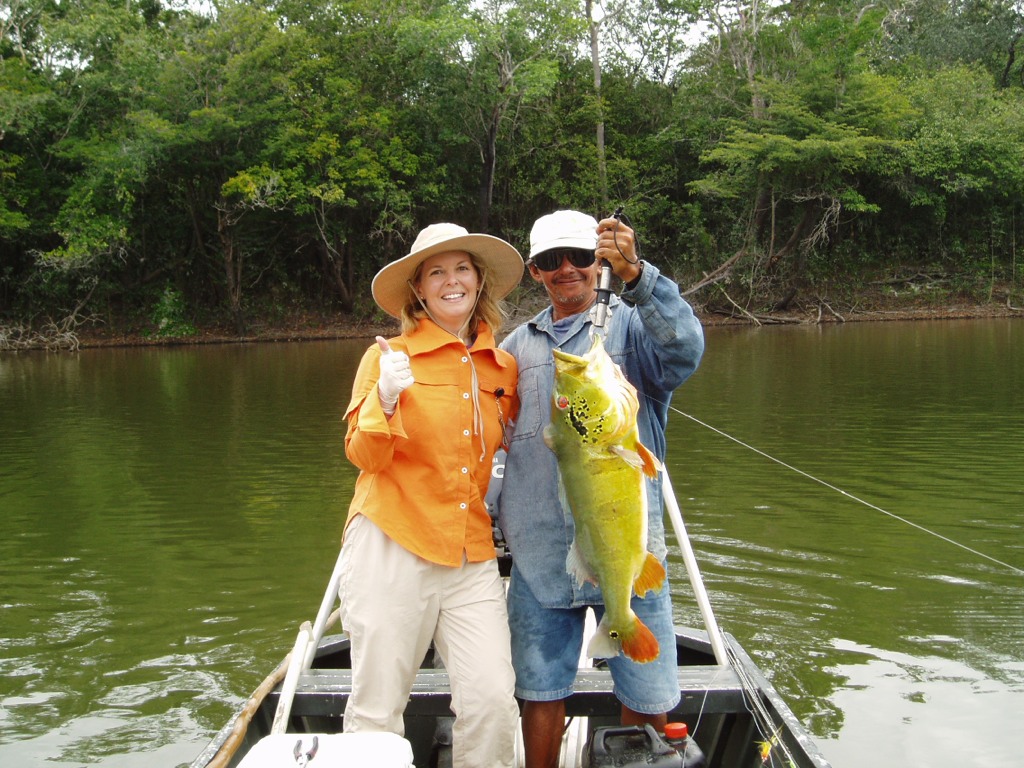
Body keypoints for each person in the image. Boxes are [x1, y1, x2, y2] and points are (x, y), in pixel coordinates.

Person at [497, 209, 705, 768]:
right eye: (549, 261)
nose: (566, 270)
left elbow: (685, 349)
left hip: (628, 553)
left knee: (648, 690)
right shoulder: (514, 348)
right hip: (541, 557)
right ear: (536, 273)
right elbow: (492, 438)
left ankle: (647, 759)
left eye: (580, 257)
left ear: (598, 262)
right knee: (538, 688)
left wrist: (638, 278)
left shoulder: (634, 330)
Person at [338, 222, 524, 768]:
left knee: (492, 699)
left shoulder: (503, 367)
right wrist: (387, 399)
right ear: (418, 289)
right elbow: (363, 455)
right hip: (393, 543)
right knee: (376, 710)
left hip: (469, 554)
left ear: (479, 280)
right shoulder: (386, 356)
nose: (451, 281)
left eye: (461, 268)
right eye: (436, 272)